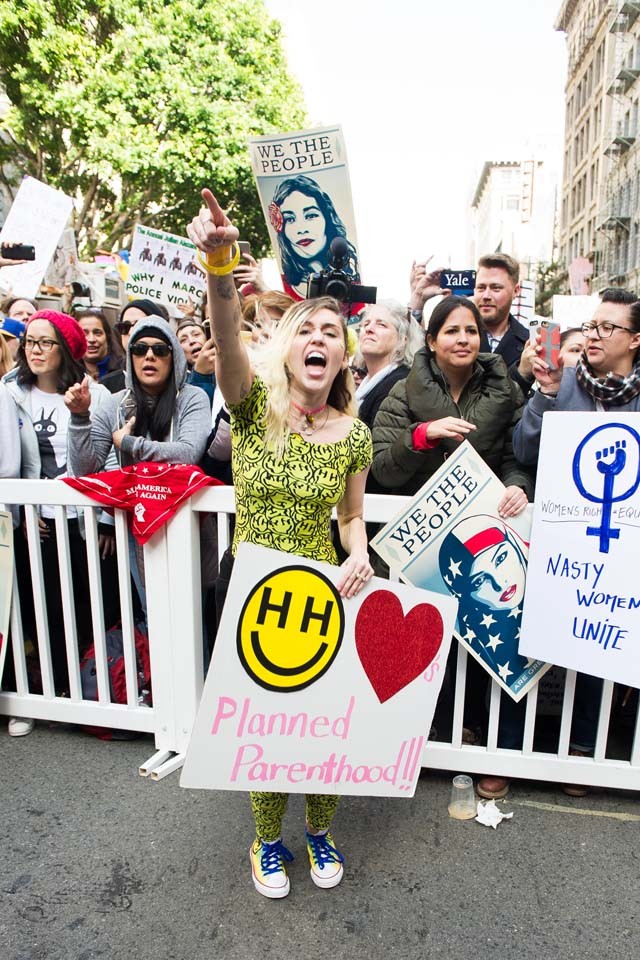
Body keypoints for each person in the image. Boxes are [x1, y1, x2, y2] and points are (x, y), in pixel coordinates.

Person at [187, 187, 373, 900]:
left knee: (319, 727)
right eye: (307, 329)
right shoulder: (250, 407)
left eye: (332, 330)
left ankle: (320, 830)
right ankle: (268, 843)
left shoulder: (354, 435)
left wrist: (357, 553)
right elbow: (227, 333)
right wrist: (218, 263)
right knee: (267, 727)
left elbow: (351, 518)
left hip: (323, 593)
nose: (319, 338)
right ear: (289, 348)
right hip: (253, 590)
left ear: (343, 353)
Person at [511, 287, 640, 799]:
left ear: (635, 339)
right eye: (591, 325)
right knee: (536, 639)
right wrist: (542, 395)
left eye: (607, 328)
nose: (593, 334)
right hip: (557, 539)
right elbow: (523, 449)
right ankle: (513, 746)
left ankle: (583, 749)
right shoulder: (562, 386)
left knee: (598, 642)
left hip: (618, 547)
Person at [3, 310, 114, 734]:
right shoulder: (11, 393)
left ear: (65, 348)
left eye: (45, 342)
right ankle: (32, 695)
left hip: (84, 524)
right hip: (35, 525)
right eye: (29, 341)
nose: (34, 349)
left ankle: (87, 692)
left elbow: (109, 460)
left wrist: (105, 520)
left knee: (89, 604)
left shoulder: (97, 395)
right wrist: (21, 513)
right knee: (36, 607)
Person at [65, 315, 211, 615]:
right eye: (140, 348)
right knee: (154, 612)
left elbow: (187, 452)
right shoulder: (114, 403)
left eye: (160, 350)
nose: (149, 356)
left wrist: (130, 444)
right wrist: (80, 417)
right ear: (130, 357)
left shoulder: (193, 397)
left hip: (187, 523)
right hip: (141, 529)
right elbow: (85, 470)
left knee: (193, 617)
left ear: (174, 357)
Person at [370, 296, 532, 503]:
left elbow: (516, 461)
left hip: (486, 519)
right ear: (431, 342)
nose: (463, 339)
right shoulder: (402, 394)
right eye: (452, 331)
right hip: (422, 523)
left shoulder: (509, 391)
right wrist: (420, 436)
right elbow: (384, 472)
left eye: (471, 331)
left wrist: (517, 486)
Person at [268, 174, 359, 299]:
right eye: (290, 219)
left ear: (327, 218)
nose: (301, 229)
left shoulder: (355, 278)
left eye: (310, 216)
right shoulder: (279, 288)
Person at [356, 300, 422, 432]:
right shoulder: (365, 384)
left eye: (381, 325)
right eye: (366, 324)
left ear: (403, 339)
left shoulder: (400, 384)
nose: (369, 329)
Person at [102, 299, 170, 394]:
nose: (131, 332)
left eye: (139, 325)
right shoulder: (106, 386)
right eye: (125, 327)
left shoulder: (181, 386)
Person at [75, 308, 125, 383]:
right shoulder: (69, 374)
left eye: (97, 333)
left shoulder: (124, 371)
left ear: (107, 337)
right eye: (84, 333)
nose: (91, 339)